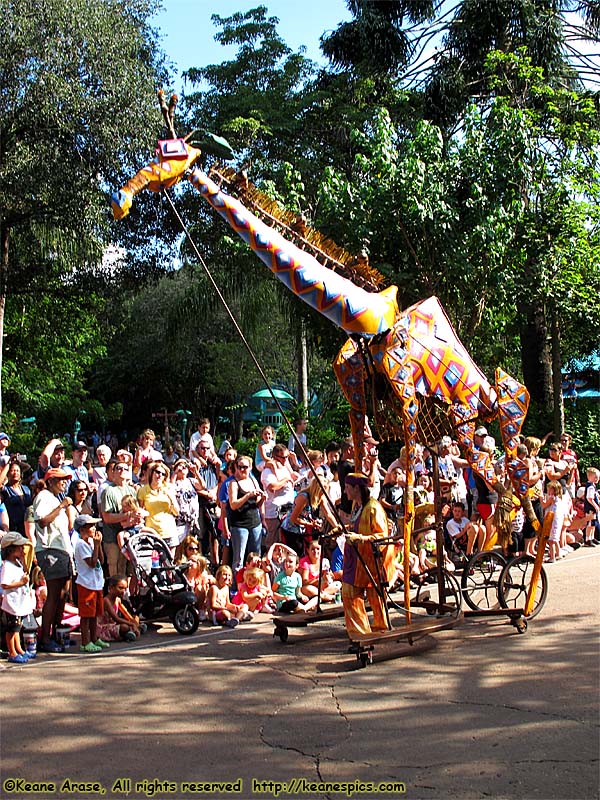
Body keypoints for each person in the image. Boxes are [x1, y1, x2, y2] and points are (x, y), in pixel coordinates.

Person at [341, 472, 395, 639]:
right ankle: (360, 633)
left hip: (371, 562)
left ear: (357, 488)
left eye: (347, 487)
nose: (344, 491)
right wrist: (346, 529)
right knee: (349, 594)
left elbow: (382, 536)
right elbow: (356, 525)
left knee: (375, 597)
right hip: (355, 560)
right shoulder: (356, 506)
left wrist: (361, 539)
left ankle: (380, 627)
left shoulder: (373, 508)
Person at [32, 467, 75, 652]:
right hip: (50, 550)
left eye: (66, 479)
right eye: (60, 479)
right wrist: (61, 507)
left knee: (63, 593)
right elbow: (42, 521)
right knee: (53, 593)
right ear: (50, 481)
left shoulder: (56, 499)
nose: (64, 482)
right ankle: (46, 637)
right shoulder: (43, 496)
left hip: (63, 550)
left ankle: (58, 632)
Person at [73, 514, 109, 653]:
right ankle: (85, 641)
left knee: (95, 614)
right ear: (82, 530)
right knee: (86, 615)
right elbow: (92, 563)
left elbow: (101, 560)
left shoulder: (90, 543)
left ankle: (94, 638)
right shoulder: (81, 545)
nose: (94, 528)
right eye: (90, 526)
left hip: (96, 583)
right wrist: (96, 545)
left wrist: (98, 546)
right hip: (86, 584)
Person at [0, 532, 35, 663]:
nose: (22, 549)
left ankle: (19, 649)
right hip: (11, 604)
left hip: (19, 602)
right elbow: (4, 584)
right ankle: (12, 652)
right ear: (11, 549)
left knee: (17, 628)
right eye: (20, 547)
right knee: (11, 629)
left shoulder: (17, 563)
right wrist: (21, 583)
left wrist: (25, 560)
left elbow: (25, 571)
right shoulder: (7, 566)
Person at [101, 460, 140, 576]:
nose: (122, 471)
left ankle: (126, 594)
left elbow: (136, 510)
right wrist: (128, 515)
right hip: (112, 537)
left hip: (129, 536)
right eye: (118, 468)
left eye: (125, 469)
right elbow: (107, 517)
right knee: (115, 569)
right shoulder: (108, 491)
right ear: (113, 472)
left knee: (127, 568)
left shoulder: (132, 490)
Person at [281, 477, 337, 557]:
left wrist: (337, 527)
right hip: (292, 529)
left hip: (303, 528)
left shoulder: (321, 497)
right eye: (322, 491)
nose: (323, 493)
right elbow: (293, 518)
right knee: (296, 554)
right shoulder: (304, 498)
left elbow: (328, 514)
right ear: (317, 490)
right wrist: (310, 524)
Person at [228, 456, 265, 577]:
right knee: (239, 558)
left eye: (245, 467)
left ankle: (255, 582)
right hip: (240, 525)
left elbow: (257, 504)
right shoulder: (233, 483)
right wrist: (247, 496)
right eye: (240, 467)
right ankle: (235, 587)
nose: (243, 470)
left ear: (250, 467)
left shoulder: (253, 480)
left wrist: (263, 498)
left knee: (255, 557)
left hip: (255, 522)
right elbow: (233, 505)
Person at [260, 444, 298, 550]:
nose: (285, 460)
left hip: (287, 510)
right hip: (274, 513)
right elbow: (272, 487)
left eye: (287, 457)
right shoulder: (268, 470)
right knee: (272, 544)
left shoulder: (284, 467)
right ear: (275, 456)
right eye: (283, 457)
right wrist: (286, 480)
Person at [137, 462, 179, 550]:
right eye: (157, 472)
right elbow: (140, 511)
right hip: (152, 532)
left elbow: (176, 512)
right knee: (154, 561)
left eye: (163, 474)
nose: (160, 475)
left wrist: (171, 497)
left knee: (169, 562)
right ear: (152, 473)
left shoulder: (168, 488)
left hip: (169, 531)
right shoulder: (143, 490)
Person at [97, 574, 145, 642]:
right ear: (111, 588)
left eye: (125, 589)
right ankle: (127, 634)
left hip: (113, 624)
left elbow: (126, 613)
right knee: (124, 627)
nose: (123, 591)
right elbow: (116, 618)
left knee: (135, 618)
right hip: (103, 628)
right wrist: (132, 624)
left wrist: (134, 622)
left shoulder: (117, 600)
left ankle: (131, 632)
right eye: (120, 588)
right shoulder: (106, 600)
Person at [1, 459, 32, 535]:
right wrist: (8, 464)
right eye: (12, 470)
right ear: (8, 474)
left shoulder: (26, 489)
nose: (15, 473)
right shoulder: (6, 489)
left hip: (28, 528)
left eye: (17, 471)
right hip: (13, 529)